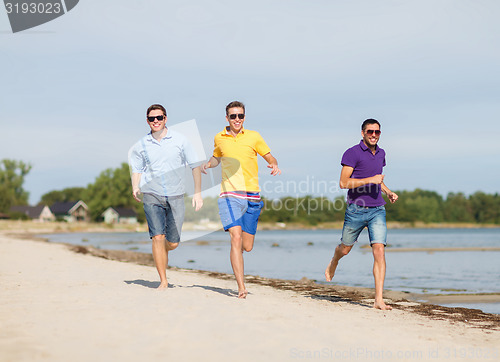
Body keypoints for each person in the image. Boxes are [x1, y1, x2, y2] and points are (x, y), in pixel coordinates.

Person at [201, 101, 281, 299]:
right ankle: (241, 286)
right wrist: (208, 165)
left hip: (252, 196)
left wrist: (274, 164)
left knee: (247, 246)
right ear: (226, 118)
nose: (237, 119)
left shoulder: (254, 136)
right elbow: (216, 157)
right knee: (235, 238)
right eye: (233, 116)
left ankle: (239, 268)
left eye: (240, 116)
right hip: (229, 194)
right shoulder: (219, 137)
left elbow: (269, 157)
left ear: (244, 117)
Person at [325, 119, 398, 310]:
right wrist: (370, 180)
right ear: (362, 133)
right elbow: (343, 183)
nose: (374, 135)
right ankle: (335, 259)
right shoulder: (352, 153)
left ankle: (379, 299)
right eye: (370, 132)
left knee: (379, 251)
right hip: (356, 209)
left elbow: (377, 181)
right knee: (345, 249)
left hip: (377, 210)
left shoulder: (382, 154)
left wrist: (388, 191)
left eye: (377, 132)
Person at [129, 104, 203, 289]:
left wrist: (198, 193)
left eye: (159, 118)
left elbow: (195, 166)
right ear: (147, 121)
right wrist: (135, 186)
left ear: (165, 118)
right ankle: (163, 280)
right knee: (157, 237)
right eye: (152, 119)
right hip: (151, 194)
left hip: (176, 195)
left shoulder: (180, 140)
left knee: (173, 243)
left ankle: (164, 249)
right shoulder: (142, 144)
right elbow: (137, 168)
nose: (156, 121)